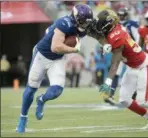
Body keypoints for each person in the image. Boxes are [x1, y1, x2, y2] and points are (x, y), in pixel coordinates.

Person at [16, 4, 93, 133]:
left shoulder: (84, 26)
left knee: (57, 90)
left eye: (87, 21)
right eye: (83, 21)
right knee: (31, 89)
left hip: (57, 59)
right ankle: (23, 118)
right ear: (75, 17)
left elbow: (97, 32)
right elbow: (55, 47)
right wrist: (74, 49)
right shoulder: (64, 23)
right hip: (42, 55)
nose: (85, 24)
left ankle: (41, 100)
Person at [95, 9, 148, 129]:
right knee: (124, 100)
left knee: (143, 101)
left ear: (108, 24)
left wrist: (108, 83)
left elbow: (115, 64)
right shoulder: (115, 28)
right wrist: (106, 45)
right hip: (132, 67)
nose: (99, 26)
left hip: (144, 66)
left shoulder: (117, 36)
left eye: (101, 23)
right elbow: (102, 36)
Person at [104, 7, 139, 105]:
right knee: (116, 72)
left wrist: (135, 50)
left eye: (122, 15)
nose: (121, 17)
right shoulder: (114, 25)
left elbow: (137, 38)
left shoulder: (131, 24)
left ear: (126, 15)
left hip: (130, 51)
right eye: (119, 15)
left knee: (134, 73)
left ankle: (135, 93)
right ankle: (110, 95)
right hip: (119, 51)